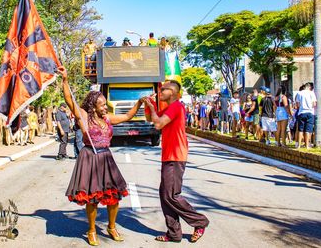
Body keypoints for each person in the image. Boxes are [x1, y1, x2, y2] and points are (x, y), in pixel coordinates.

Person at [58, 65, 143, 245]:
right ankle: (91, 230)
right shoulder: (83, 117)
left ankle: (112, 227)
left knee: (114, 196)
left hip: (106, 158)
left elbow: (127, 116)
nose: (106, 107)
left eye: (106, 104)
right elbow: (68, 99)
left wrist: (139, 103)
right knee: (93, 198)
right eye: (102, 104)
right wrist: (65, 79)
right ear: (93, 106)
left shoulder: (108, 118)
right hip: (90, 158)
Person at [143, 80, 209, 243]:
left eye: (163, 90)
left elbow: (158, 124)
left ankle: (200, 222)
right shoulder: (169, 107)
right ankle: (174, 233)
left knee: (171, 195)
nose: (160, 92)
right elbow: (150, 119)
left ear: (171, 92)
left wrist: (152, 107)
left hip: (175, 155)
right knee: (165, 195)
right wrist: (148, 104)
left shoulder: (176, 106)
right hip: (169, 155)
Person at [295, 82, 317, 149]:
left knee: (300, 129)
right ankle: (307, 145)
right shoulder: (311, 93)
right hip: (310, 112)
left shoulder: (299, 93)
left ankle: (298, 145)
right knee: (308, 130)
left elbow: (298, 104)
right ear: (310, 87)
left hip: (301, 112)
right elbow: (314, 104)